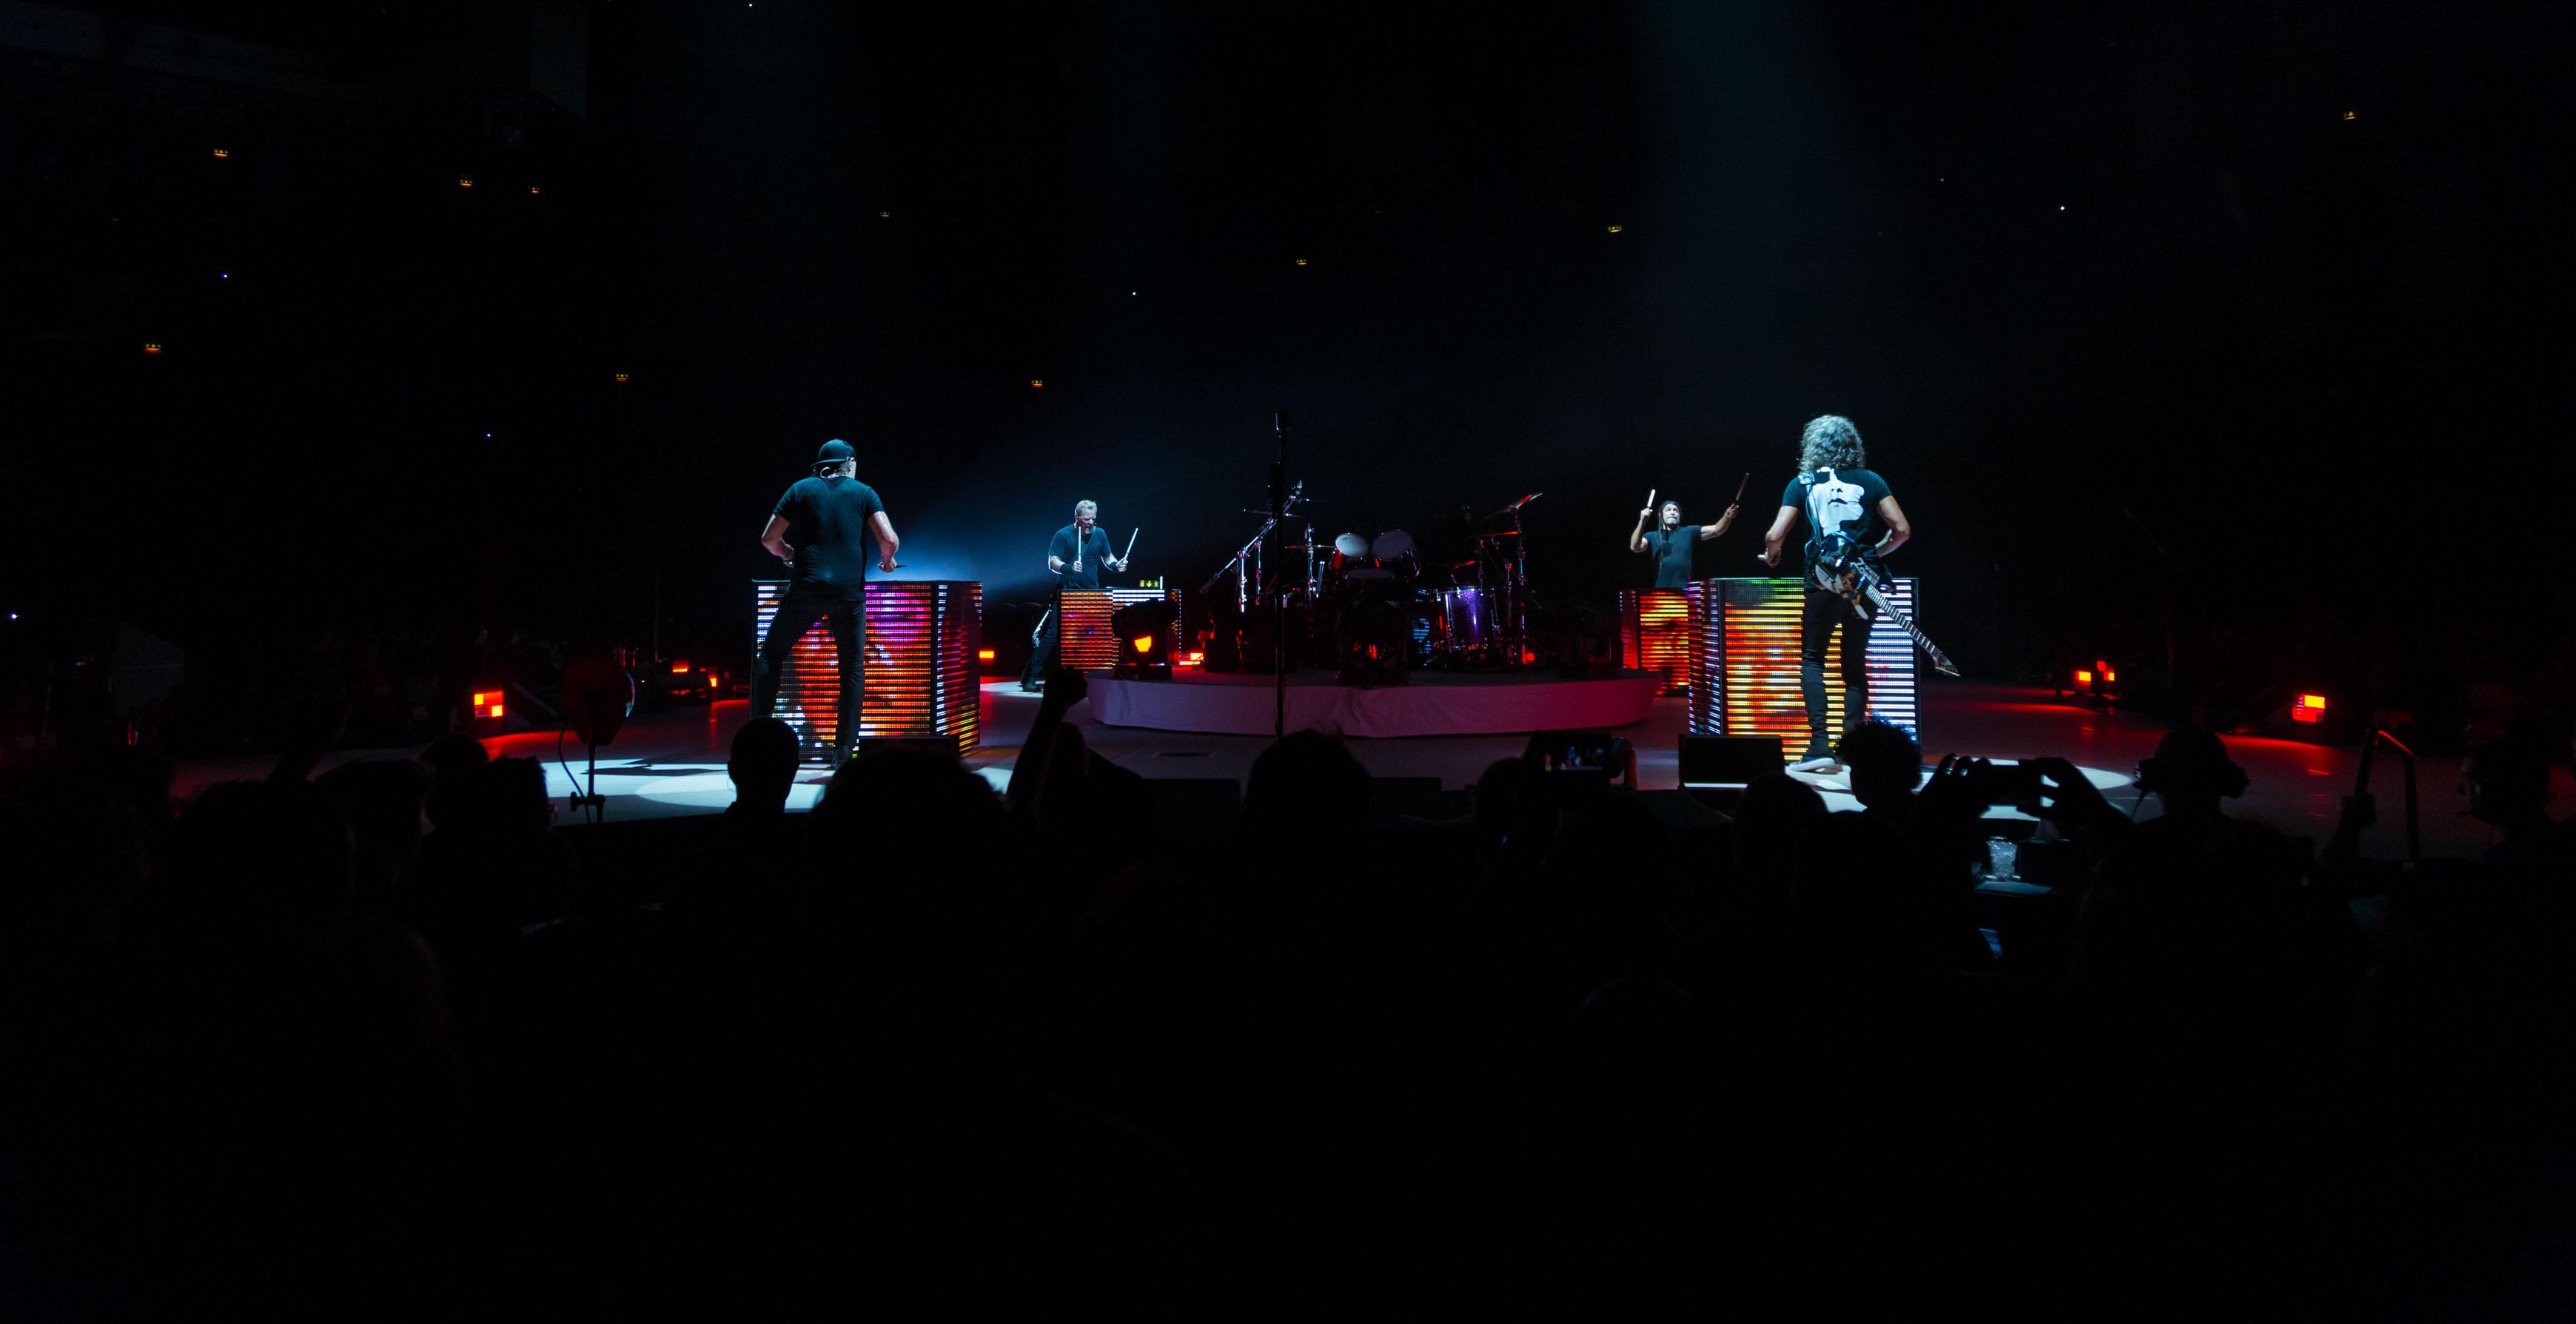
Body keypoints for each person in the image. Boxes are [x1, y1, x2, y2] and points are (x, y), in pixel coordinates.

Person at [1761, 415, 1911, 773]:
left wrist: (1772, 556)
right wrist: (1873, 554)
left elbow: (1774, 535)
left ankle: (1819, 748)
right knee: (1854, 664)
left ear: (1812, 447)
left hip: (1821, 581)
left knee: (1813, 659)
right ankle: (1851, 750)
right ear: (1852, 445)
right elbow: (1902, 529)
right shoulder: (1871, 480)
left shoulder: (1802, 483)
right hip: (1863, 582)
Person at [755, 439, 899, 766]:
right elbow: (888, 538)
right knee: (852, 668)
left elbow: (769, 538)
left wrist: (789, 554)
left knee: (772, 655)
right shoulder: (864, 493)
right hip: (847, 594)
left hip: (807, 588)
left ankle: (762, 737)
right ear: (850, 462)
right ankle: (843, 752)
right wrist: (887, 560)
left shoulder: (800, 489)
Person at [1022, 500, 1129, 692]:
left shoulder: (1100, 534)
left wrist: (1116, 565)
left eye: (1094, 519)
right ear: (1077, 517)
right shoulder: (1063, 535)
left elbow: (1108, 557)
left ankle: (1094, 678)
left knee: (1094, 636)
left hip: (1091, 593)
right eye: (1087, 519)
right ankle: (1030, 677)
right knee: (1053, 636)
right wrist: (1069, 568)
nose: (1091, 523)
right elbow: (1052, 562)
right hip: (1067, 592)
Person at [1628, 498, 1737, 589]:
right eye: (1668, 510)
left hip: (1684, 591)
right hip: (1661, 592)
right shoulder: (1652, 536)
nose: (1672, 512)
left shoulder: (1688, 531)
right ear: (1660, 515)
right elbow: (1635, 547)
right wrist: (1642, 522)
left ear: (1679, 516)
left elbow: (1716, 530)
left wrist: (1727, 517)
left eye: (1676, 510)